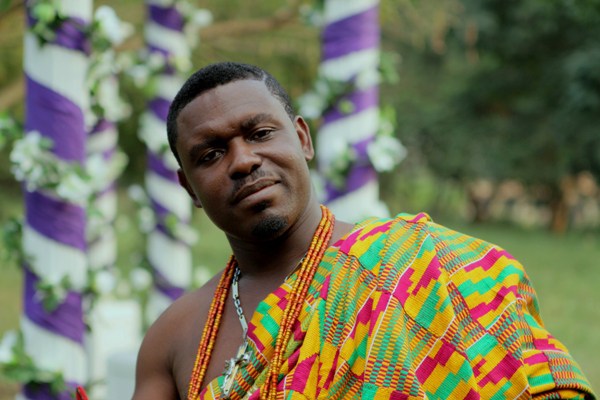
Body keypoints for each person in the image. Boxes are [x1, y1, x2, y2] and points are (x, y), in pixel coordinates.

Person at [131, 61, 595, 400]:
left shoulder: (428, 267)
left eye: (260, 133)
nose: (243, 161)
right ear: (189, 187)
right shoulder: (174, 336)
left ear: (303, 139)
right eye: (211, 154)